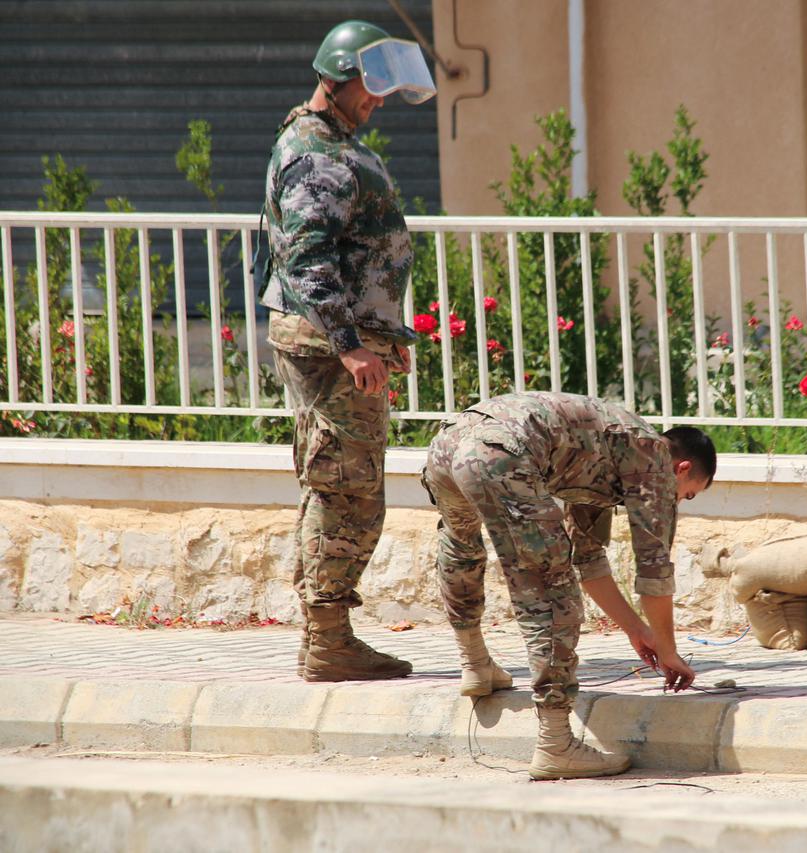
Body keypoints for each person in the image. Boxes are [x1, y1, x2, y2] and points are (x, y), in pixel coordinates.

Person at [260, 20, 436, 682]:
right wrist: (353, 345)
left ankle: (327, 632)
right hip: (332, 352)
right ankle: (328, 638)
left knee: (334, 484)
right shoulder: (317, 155)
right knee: (346, 491)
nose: (378, 101)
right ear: (337, 78)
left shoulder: (323, 140)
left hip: (336, 346)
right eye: (371, 87)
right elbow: (307, 258)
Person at [421, 391, 716, 780]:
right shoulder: (653, 460)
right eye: (689, 493)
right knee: (549, 591)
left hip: (451, 441)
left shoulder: (605, 450)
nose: (681, 500)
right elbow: (654, 569)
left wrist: (638, 631)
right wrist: (669, 650)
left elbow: (590, 561)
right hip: (501, 452)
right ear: (681, 468)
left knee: (461, 547)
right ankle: (556, 743)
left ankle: (475, 663)